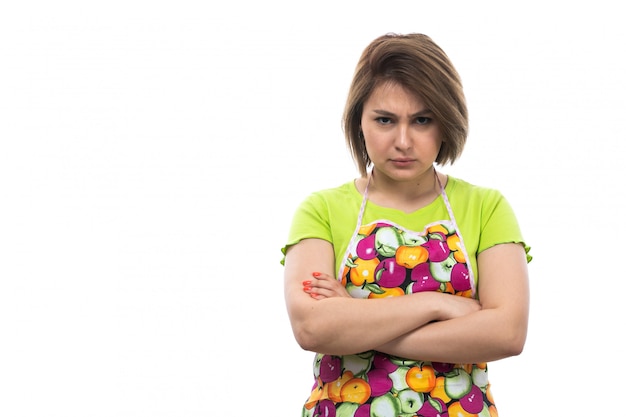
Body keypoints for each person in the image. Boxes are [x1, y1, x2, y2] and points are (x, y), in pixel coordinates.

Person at [281, 33, 530, 417]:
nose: (402, 141)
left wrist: (357, 321)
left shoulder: (487, 207)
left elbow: (507, 333)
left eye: (422, 120)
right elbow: (313, 329)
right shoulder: (321, 210)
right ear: (359, 121)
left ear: (446, 122)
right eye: (384, 119)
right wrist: (439, 305)